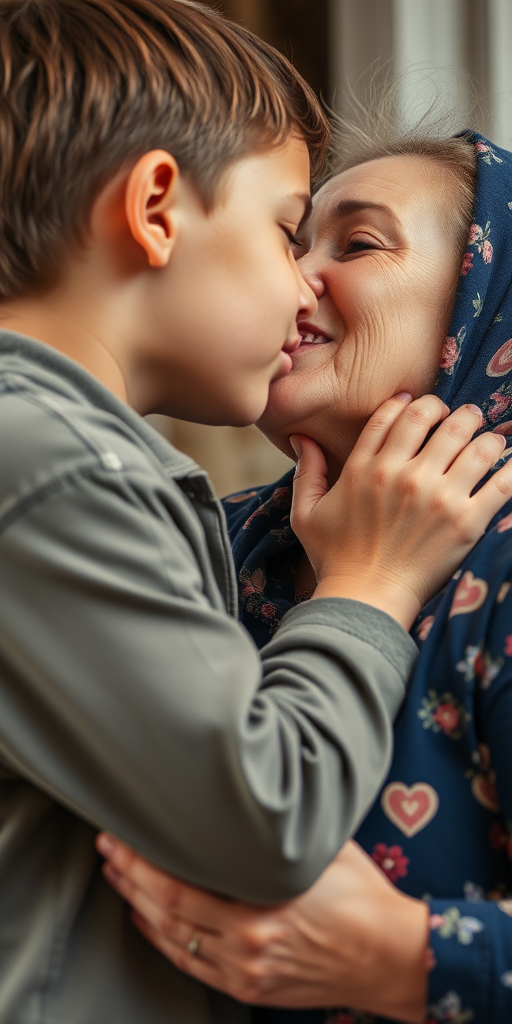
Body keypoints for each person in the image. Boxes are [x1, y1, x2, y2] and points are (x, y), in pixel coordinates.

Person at [2, 3, 508, 1023]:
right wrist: (365, 587)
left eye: (351, 241)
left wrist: (420, 956)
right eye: (288, 231)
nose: (295, 278)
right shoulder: (210, 532)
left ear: (482, 304)